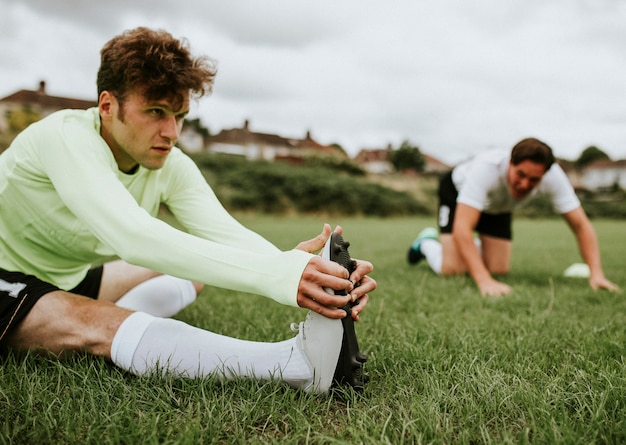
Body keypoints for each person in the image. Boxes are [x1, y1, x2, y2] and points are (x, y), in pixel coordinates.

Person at [0, 27, 376, 395]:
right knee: (104, 321)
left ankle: (89, 323)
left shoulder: (170, 164)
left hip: (65, 277)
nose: (172, 131)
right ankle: (295, 366)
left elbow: (223, 234)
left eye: (179, 115)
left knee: (190, 273)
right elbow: (133, 237)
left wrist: (314, 274)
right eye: (156, 111)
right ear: (107, 107)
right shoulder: (64, 138)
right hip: (4, 274)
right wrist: (281, 276)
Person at [407, 137, 619, 297]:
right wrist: (483, 280)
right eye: (521, 175)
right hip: (456, 194)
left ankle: (466, 249)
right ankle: (426, 243)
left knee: (498, 269)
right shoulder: (486, 169)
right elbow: (463, 228)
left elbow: (581, 225)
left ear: (545, 174)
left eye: (534, 180)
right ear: (510, 163)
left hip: (499, 207)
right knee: (452, 269)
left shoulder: (554, 177)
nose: (525, 184)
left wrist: (597, 273)